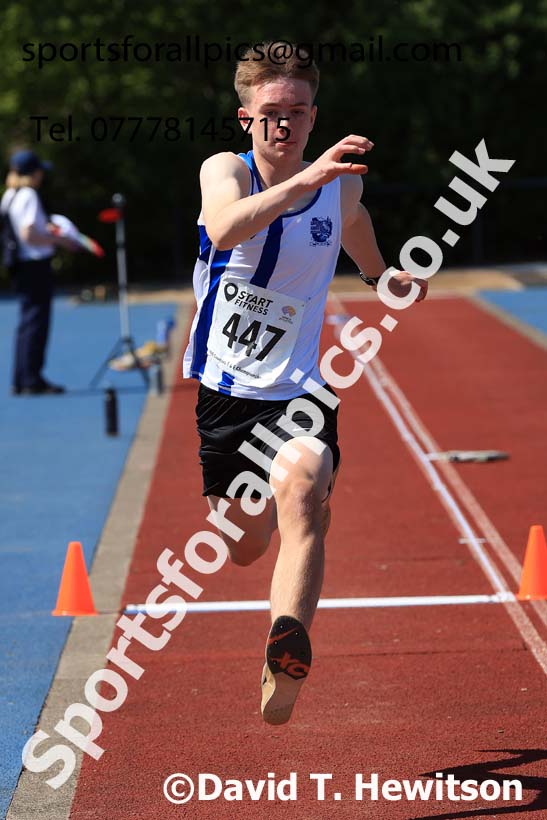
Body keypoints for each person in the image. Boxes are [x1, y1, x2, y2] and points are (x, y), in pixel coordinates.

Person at [182, 43, 428, 725]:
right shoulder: (225, 169)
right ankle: (256, 529)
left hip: (298, 394)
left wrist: (382, 277)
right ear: (245, 118)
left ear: (312, 115)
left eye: (295, 112)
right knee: (244, 544)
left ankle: (284, 651)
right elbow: (226, 227)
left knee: (305, 487)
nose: (282, 124)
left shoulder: (340, 184)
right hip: (227, 399)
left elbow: (353, 222)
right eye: (269, 114)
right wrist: (307, 178)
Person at [1, 150, 75, 395]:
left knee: (25, 323)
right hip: (35, 264)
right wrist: (58, 240)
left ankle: (20, 378)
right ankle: (33, 379)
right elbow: (28, 233)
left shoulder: (9, 195)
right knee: (37, 323)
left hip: (20, 266)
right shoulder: (29, 195)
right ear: (33, 174)